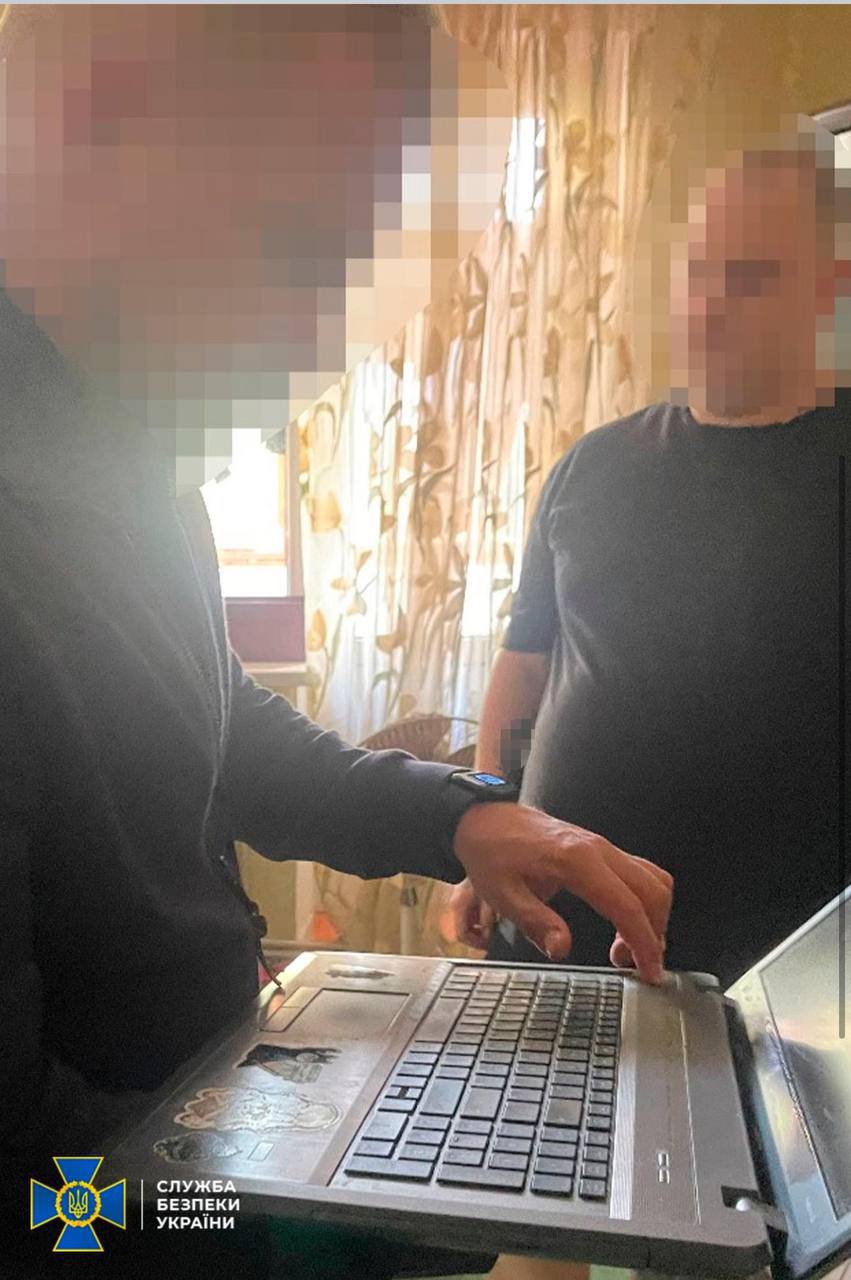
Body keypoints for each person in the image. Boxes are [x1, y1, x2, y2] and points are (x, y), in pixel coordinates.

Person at [0, 7, 671, 1277]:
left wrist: (461, 816)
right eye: (294, 246)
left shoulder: (134, 448)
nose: (316, 340)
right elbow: (31, 1192)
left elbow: (213, 724)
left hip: (206, 1111)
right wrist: (310, 1217)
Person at [452, 118, 849, 991]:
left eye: (749, 278)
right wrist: (490, 819)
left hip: (774, 980)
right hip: (557, 943)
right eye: (697, 271)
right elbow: (524, 668)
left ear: (830, 288)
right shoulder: (590, 465)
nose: (708, 305)